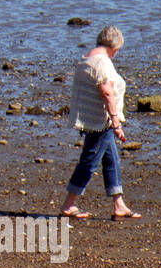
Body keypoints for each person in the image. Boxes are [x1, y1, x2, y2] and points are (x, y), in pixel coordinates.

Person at [59, 25, 141, 221]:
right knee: (90, 161)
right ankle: (69, 204)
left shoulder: (86, 58)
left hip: (94, 119)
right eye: (118, 50)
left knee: (111, 159)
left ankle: (118, 203)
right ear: (114, 46)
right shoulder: (102, 62)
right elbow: (106, 92)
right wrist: (115, 121)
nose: (117, 53)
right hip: (100, 121)